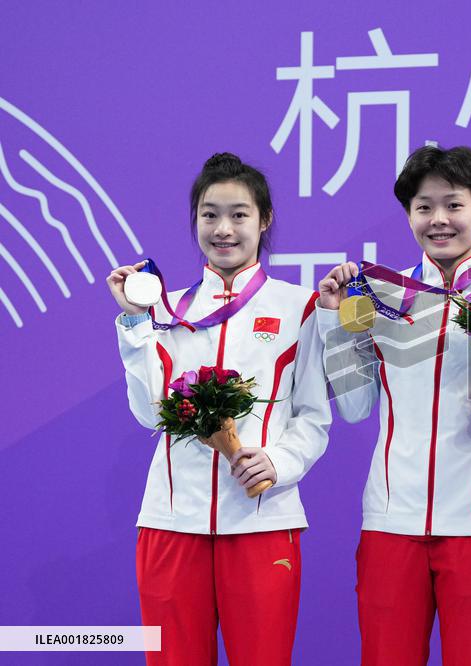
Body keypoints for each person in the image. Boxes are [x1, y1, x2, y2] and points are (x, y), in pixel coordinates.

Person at [316, 145, 471, 666]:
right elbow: (356, 407)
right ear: (409, 214)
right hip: (388, 522)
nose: (438, 220)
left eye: (453, 205)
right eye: (424, 207)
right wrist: (333, 321)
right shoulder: (382, 296)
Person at [107, 152, 331, 666]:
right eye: (209, 214)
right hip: (170, 521)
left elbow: (314, 417)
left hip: (260, 520)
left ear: (264, 219)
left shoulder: (300, 308)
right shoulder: (165, 309)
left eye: (239, 214)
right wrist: (135, 324)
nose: (223, 229)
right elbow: (148, 413)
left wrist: (280, 461)